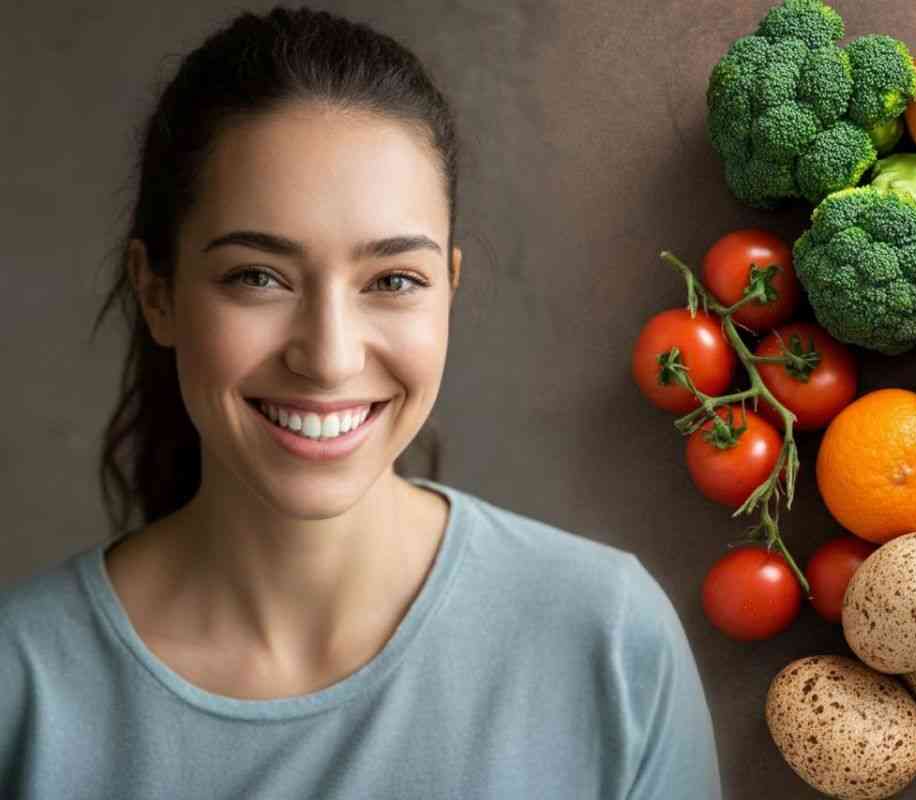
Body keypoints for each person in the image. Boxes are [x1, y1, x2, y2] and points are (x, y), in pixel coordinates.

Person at [0, 7, 721, 799]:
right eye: (257, 277)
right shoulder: (19, 684)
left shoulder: (607, 640)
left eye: (393, 281)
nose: (329, 357)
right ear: (158, 293)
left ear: (449, 287)